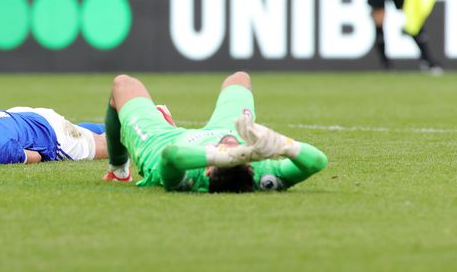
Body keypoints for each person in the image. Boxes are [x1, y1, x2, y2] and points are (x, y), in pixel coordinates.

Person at [102, 72, 328, 193]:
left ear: (208, 170)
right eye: (237, 151)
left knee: (123, 84)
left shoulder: (187, 179)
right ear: (249, 164)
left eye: (228, 151)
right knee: (239, 79)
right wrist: (282, 144)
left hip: (161, 143)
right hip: (223, 128)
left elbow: (172, 156)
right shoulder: (263, 173)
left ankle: (118, 170)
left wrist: (222, 155)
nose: (230, 145)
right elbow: (317, 161)